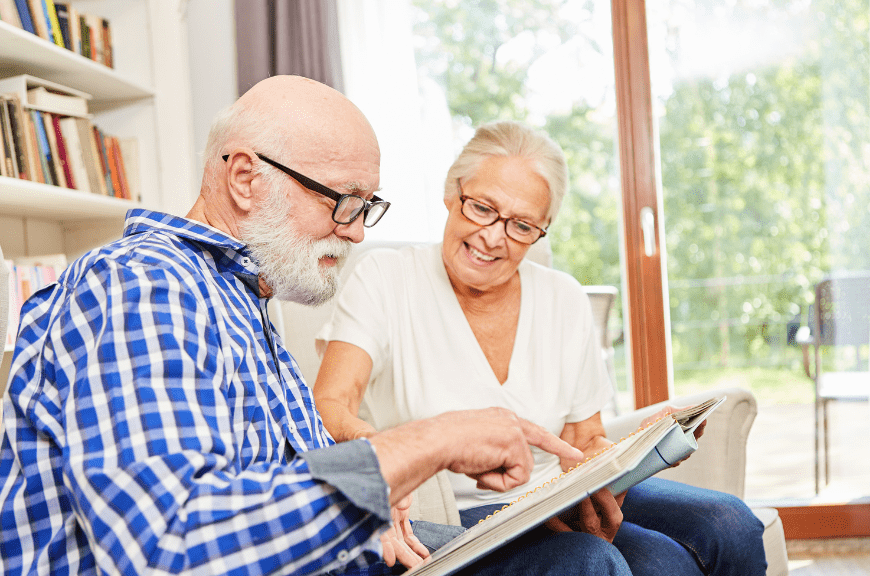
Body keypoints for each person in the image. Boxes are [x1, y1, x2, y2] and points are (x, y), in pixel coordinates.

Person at [0, 77, 631, 576]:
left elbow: (269, 477)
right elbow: (168, 545)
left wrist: (369, 501)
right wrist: (429, 443)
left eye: (367, 206)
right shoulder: (142, 285)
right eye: (342, 200)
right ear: (246, 178)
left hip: (330, 557)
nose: (356, 230)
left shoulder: (240, 296)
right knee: (580, 562)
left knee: (612, 553)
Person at [313, 120, 769, 575]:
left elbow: (583, 441)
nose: (493, 237)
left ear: (543, 229)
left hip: (556, 494)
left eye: (522, 225)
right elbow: (330, 405)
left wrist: (635, 451)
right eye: (482, 208)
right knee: (658, 564)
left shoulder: (563, 297)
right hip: (455, 515)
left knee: (729, 523)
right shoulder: (385, 279)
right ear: (453, 192)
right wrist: (389, 461)